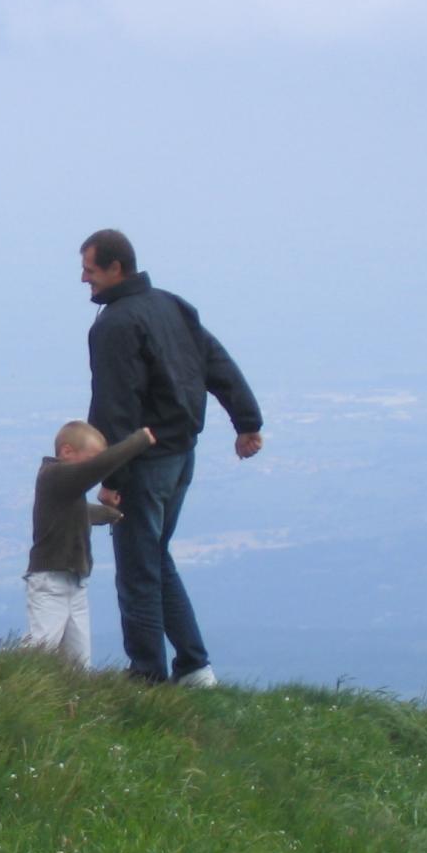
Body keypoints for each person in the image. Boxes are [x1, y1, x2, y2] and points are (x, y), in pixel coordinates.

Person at [80, 227, 263, 687]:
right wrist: (247, 421)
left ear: (115, 268)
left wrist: (111, 474)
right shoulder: (172, 305)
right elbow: (216, 362)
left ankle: (146, 677)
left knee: (138, 572)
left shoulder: (115, 325)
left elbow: (114, 405)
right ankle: (194, 668)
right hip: (182, 455)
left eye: (90, 270)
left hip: (144, 461)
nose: (85, 280)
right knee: (157, 559)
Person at [24, 420, 153, 667]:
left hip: (75, 582)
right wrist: (139, 440)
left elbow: (76, 512)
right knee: (39, 650)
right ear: (67, 452)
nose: (94, 466)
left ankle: (71, 702)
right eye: (91, 458)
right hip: (51, 580)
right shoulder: (55, 475)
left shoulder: (64, 488)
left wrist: (109, 515)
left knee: (78, 662)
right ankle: (9, 677)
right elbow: (95, 470)